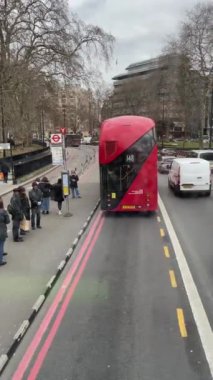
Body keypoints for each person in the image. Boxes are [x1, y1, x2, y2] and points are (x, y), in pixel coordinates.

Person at [0, 198, 10, 266]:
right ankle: (0, 261)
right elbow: (7, 221)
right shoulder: (3, 212)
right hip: (1, 230)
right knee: (1, 245)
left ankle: (2, 252)